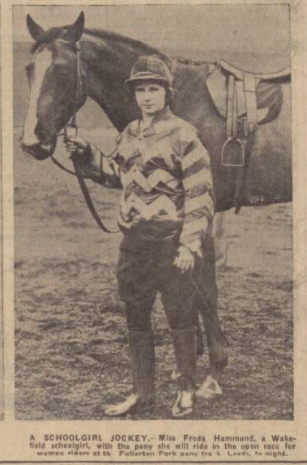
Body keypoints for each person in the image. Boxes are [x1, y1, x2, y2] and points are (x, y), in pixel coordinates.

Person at [65, 55, 217, 417]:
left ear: (167, 93)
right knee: (136, 317)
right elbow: (116, 175)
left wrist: (189, 245)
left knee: (180, 318)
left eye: (154, 89)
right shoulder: (130, 133)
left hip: (170, 243)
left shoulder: (184, 134)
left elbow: (201, 195)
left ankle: (185, 390)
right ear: (134, 94)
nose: (147, 97)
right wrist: (86, 153)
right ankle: (142, 394)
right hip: (134, 243)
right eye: (141, 90)